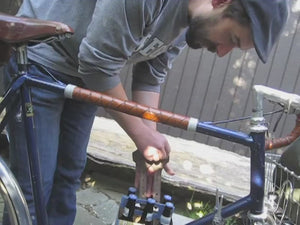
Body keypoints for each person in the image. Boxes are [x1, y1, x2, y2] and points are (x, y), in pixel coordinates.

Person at [3, 0, 289, 224]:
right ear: (220, 1)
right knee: (34, 186)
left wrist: (149, 141)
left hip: (81, 74)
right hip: (42, 59)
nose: (224, 51)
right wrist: (140, 134)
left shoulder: (188, 23)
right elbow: (97, 62)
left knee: (68, 176)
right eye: (233, 39)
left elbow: (151, 73)